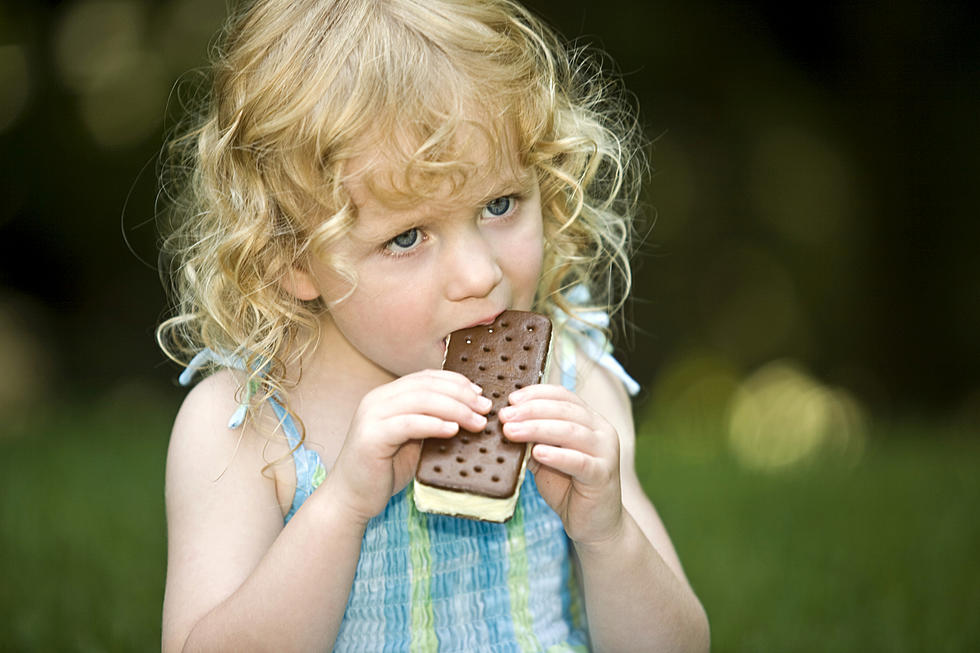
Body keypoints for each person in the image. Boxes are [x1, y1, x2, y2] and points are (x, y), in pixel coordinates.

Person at [157, 0, 709, 650]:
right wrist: (343, 506)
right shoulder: (245, 428)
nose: (478, 274)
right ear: (292, 258)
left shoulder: (572, 382)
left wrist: (608, 533)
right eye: (407, 236)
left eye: (500, 204)